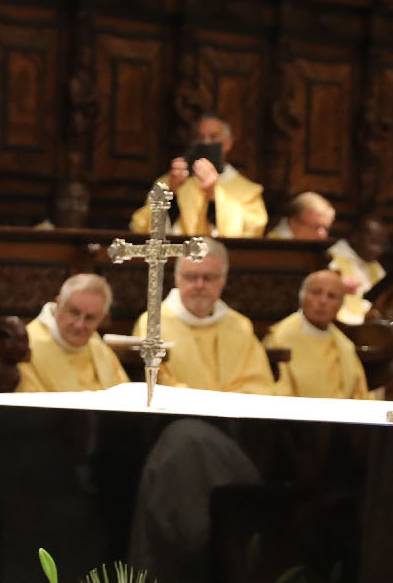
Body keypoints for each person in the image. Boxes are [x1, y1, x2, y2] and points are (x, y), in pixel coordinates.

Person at [133, 238, 275, 394]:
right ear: (177, 277)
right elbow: (157, 383)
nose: (199, 285)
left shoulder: (240, 326)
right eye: (191, 277)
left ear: (223, 279)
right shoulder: (153, 323)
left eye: (208, 278)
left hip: (234, 413)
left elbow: (259, 384)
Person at [128, 114, 267, 239]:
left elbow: (252, 231)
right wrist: (171, 194)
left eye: (213, 137)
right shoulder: (169, 182)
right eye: (200, 138)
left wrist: (214, 197)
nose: (206, 143)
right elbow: (140, 227)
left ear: (228, 143)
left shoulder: (248, 191)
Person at [266, 270, 370, 400]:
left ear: (341, 304)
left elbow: (359, 396)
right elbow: (277, 393)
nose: (322, 301)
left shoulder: (345, 346)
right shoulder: (279, 339)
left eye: (331, 296)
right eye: (316, 292)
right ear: (302, 295)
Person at [18, 273, 126, 392]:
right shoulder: (27, 346)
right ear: (58, 304)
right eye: (74, 312)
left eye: (90, 318)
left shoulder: (98, 346)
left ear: (102, 318)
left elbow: (124, 396)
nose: (79, 325)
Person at [327, 216, 388, 325]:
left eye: (382, 244)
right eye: (374, 242)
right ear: (355, 237)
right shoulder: (332, 260)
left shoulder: (375, 266)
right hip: (343, 324)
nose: (379, 250)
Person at [267, 191, 334, 240]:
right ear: (293, 222)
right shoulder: (273, 247)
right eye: (315, 226)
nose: (322, 235)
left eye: (326, 228)